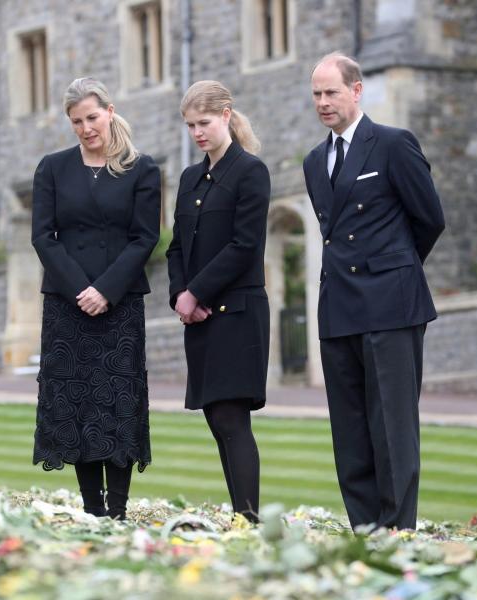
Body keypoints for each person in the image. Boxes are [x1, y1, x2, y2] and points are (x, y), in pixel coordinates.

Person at [301, 52, 446, 530]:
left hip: (390, 307)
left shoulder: (392, 144)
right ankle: (366, 531)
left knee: (393, 430)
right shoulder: (313, 161)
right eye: (317, 94)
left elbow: (429, 219)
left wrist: (393, 272)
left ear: (356, 91)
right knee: (350, 433)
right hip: (338, 308)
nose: (323, 102)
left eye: (332, 92)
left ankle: (398, 534)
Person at [31, 77, 161, 520]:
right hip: (66, 307)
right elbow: (43, 238)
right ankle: (91, 510)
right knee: (78, 403)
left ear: (109, 110)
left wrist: (105, 289)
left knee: (117, 401)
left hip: (120, 305)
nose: (86, 128)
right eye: (76, 122)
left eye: (91, 117)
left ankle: (119, 511)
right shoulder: (51, 167)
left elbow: (144, 237)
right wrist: (79, 290)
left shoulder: (142, 169)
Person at [166, 80, 271, 523]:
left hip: (238, 313)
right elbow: (176, 248)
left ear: (226, 116)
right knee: (216, 419)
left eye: (204, 123)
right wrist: (179, 296)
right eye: (190, 126)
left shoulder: (250, 171)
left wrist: (196, 293)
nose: (197, 133)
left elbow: (245, 246)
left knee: (231, 419)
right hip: (201, 318)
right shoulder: (191, 177)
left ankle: (248, 521)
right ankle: (241, 518)